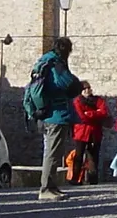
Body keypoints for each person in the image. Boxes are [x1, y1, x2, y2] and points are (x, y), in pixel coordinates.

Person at [35, 37, 82, 201]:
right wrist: (77, 83)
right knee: (52, 153)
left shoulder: (45, 61)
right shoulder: (55, 63)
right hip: (55, 114)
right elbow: (68, 85)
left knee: (53, 152)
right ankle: (46, 188)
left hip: (47, 113)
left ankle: (51, 186)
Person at [70, 81, 108, 185]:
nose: (87, 90)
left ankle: (93, 179)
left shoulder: (98, 100)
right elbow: (81, 116)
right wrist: (96, 114)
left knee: (94, 156)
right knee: (78, 156)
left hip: (94, 132)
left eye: (88, 88)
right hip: (81, 132)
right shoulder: (77, 101)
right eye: (84, 89)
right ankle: (75, 178)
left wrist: (90, 114)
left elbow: (104, 112)